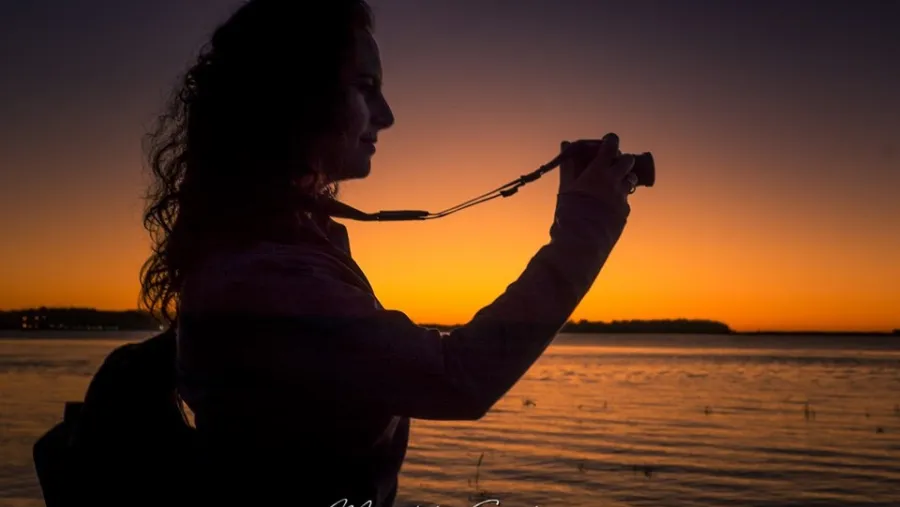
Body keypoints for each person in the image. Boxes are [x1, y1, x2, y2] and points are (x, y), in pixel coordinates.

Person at [138, 1, 641, 505]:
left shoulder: (272, 246)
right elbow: (458, 377)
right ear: (292, 94)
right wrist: (586, 229)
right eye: (365, 87)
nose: (387, 115)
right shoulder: (265, 277)